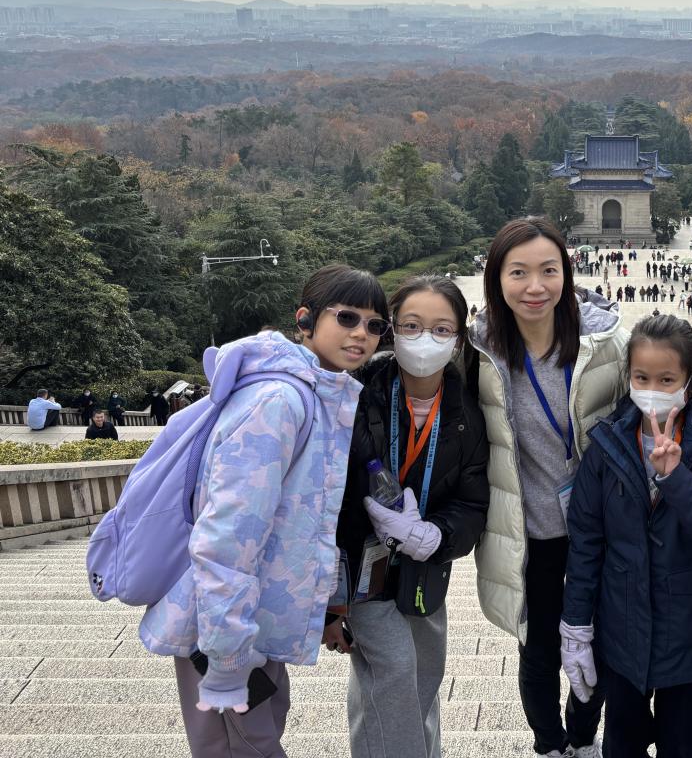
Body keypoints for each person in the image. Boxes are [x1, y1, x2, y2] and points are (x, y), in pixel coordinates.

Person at [137, 264, 387, 758]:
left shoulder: (314, 394)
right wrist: (228, 652)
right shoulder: (278, 401)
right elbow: (228, 532)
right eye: (347, 317)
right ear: (305, 319)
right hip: (225, 627)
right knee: (243, 746)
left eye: (375, 324)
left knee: (259, 732)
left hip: (254, 619)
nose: (362, 333)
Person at [468, 217, 629, 758]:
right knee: (537, 651)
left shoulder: (606, 346)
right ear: (496, 279)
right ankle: (550, 744)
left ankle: (582, 737)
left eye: (548, 270)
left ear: (567, 273)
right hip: (529, 530)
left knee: (598, 644)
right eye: (518, 272)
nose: (535, 286)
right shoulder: (479, 353)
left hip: (598, 528)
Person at [561, 315, 692, 758]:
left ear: (691, 379)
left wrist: (676, 478)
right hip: (622, 627)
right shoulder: (607, 443)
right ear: (628, 375)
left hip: (691, 629)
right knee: (622, 742)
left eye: (667, 380)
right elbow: (586, 541)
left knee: (682, 744)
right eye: (642, 378)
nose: (652, 389)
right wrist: (577, 624)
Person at [328, 276, 490, 758]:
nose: (425, 339)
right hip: (364, 570)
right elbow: (327, 502)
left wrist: (435, 535)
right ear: (392, 329)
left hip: (425, 570)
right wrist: (332, 601)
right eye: (412, 326)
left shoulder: (467, 412)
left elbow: (472, 502)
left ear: (459, 338)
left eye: (441, 329)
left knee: (421, 678)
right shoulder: (358, 393)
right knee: (394, 675)